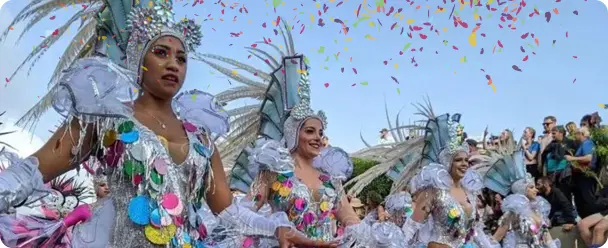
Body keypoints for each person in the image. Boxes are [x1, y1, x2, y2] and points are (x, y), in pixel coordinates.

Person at [0, 1, 328, 247]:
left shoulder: (201, 137)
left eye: (181, 58)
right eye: (161, 53)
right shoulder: (105, 119)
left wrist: (276, 228)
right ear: (138, 60)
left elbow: (228, 210)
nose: (173, 64)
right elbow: (34, 169)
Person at [398, 113, 498, 248]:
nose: (464, 164)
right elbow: (411, 227)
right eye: (458, 160)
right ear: (448, 163)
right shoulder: (434, 192)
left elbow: (476, 231)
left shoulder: (470, 193)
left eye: (466, 160)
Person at [484, 151, 560, 248]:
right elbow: (497, 237)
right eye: (531, 187)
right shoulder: (513, 212)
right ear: (522, 190)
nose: (536, 190)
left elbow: (546, 236)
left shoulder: (537, 210)